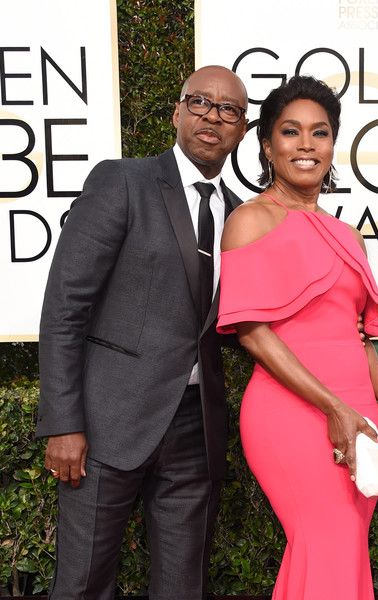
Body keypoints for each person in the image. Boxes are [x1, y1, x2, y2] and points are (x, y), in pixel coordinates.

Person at [35, 65, 248, 600]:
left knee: (183, 588)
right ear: (177, 112)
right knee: (83, 584)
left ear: (241, 130)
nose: (212, 116)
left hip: (196, 428)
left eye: (229, 109)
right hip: (108, 422)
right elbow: (65, 307)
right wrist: (62, 421)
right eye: (201, 102)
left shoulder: (243, 216)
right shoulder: (122, 181)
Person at [217, 75, 378, 600]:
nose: (307, 144)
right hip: (293, 412)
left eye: (320, 132)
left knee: (339, 547)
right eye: (290, 131)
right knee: (325, 539)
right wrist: (333, 407)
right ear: (267, 145)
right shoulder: (250, 220)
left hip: (356, 411)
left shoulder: (346, 233)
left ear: (332, 145)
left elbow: (358, 334)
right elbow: (253, 334)